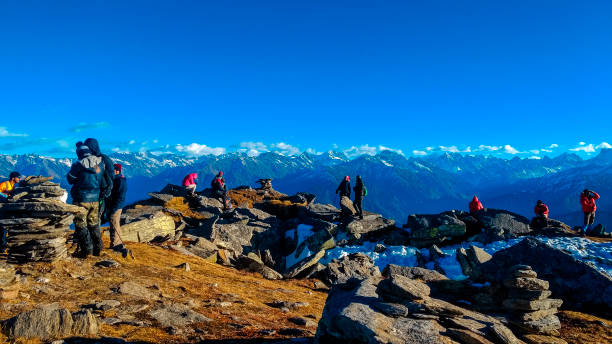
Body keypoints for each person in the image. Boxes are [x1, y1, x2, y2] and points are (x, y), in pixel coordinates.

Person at [67, 144, 105, 258]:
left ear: (79, 153)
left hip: (81, 200)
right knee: (93, 224)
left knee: (81, 226)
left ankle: (87, 251)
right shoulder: (100, 163)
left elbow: (70, 179)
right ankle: (98, 248)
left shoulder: (78, 165)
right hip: (96, 199)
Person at [108, 163, 127, 251]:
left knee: (114, 223)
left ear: (117, 171)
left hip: (117, 206)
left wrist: (114, 208)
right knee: (116, 223)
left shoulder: (119, 181)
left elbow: (119, 197)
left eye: (113, 170)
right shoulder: (119, 179)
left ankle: (115, 244)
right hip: (117, 205)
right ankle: (117, 242)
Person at [0, 171, 21, 253]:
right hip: (1, 208)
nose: (19, 179)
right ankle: (2, 249)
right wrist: (6, 196)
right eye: (18, 177)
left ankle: (4, 248)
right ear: (13, 178)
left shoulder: (13, 186)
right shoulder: (4, 184)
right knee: (2, 228)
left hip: (6, 208)